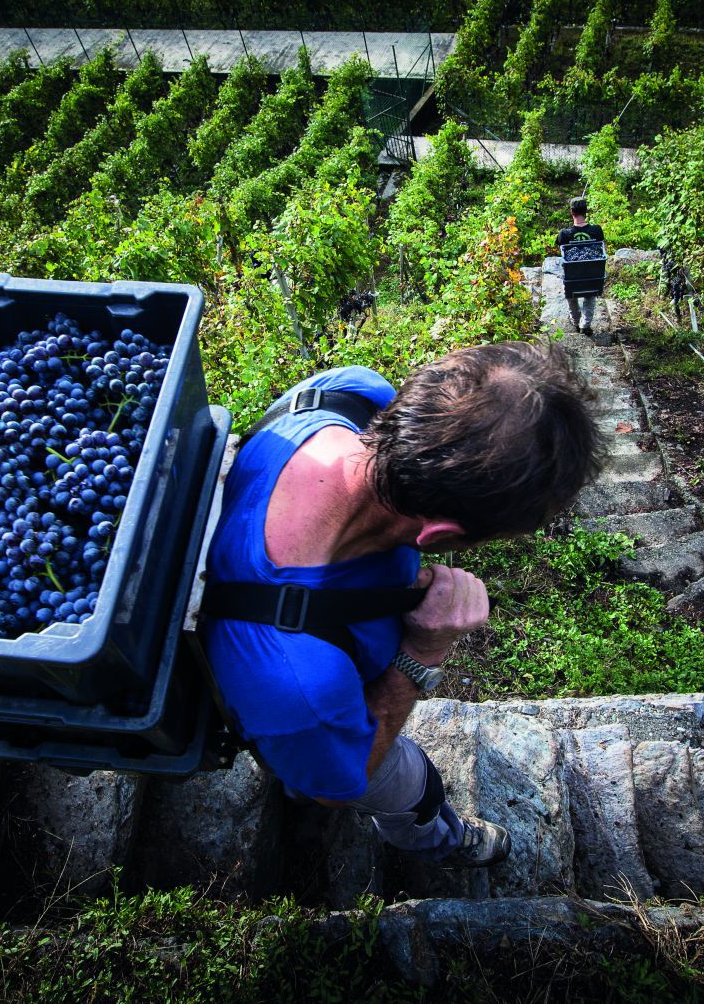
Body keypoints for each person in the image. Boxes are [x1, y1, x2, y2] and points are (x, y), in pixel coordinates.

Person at [202, 343, 604, 868]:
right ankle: (440, 841)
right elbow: (338, 787)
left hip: (294, 701)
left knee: (315, 750)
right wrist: (422, 652)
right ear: (440, 533)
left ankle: (306, 757)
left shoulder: (346, 395)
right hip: (306, 717)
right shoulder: (301, 678)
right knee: (407, 782)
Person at [555, 197, 606, 336]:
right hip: (592, 275)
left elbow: (560, 249)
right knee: (590, 293)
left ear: (572, 212)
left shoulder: (564, 234)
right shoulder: (597, 230)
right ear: (586, 211)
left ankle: (576, 321)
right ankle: (585, 324)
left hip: (573, 277)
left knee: (570, 292)